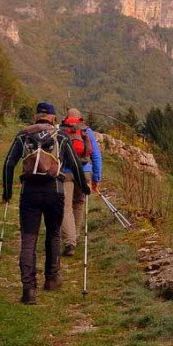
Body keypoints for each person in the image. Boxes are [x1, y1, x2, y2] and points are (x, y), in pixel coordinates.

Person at [2, 101, 89, 305]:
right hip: (54, 191)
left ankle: (28, 290)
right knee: (53, 234)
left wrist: (7, 191)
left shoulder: (23, 135)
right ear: (52, 117)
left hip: (29, 192)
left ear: (36, 116)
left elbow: (8, 163)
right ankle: (51, 278)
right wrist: (84, 188)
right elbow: (76, 164)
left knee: (29, 240)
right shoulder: (60, 136)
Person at [60, 108, 102, 257]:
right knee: (78, 203)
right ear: (80, 118)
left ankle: (69, 242)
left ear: (67, 118)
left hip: (66, 172)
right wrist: (96, 178)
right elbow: (96, 155)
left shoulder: (61, 129)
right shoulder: (87, 131)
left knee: (65, 207)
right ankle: (75, 235)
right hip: (84, 171)